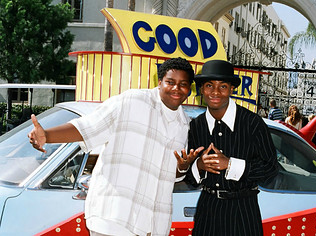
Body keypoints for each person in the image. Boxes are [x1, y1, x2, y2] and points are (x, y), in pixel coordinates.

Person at [28, 57, 197, 236]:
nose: (176, 89)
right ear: (160, 81)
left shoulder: (185, 125)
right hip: (114, 217)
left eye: (183, 84)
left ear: (189, 89)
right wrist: (47, 135)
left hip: (153, 224)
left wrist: (182, 167)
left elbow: (172, 176)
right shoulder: (132, 101)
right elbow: (88, 127)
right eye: (170, 82)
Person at [176, 60, 279, 236]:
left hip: (243, 211)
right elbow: (191, 181)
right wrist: (198, 166)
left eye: (222, 86)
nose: (215, 92)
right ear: (201, 89)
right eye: (209, 85)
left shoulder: (252, 123)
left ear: (231, 89)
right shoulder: (197, 126)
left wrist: (230, 164)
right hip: (207, 210)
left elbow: (270, 169)